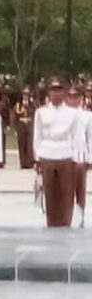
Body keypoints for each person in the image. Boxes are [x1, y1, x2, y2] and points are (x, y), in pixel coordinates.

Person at [34, 77, 82, 227]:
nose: (56, 94)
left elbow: (76, 137)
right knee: (50, 192)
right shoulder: (41, 112)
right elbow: (38, 135)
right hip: (47, 152)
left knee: (66, 192)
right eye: (53, 90)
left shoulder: (72, 113)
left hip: (65, 153)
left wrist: (77, 158)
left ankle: (65, 222)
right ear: (48, 93)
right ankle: (51, 222)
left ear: (64, 93)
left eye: (59, 90)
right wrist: (37, 157)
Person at [66, 85, 92, 217]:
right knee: (66, 190)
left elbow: (90, 138)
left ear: (81, 98)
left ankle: (80, 215)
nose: (72, 100)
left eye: (75, 96)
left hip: (80, 156)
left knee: (80, 189)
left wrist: (90, 158)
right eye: (70, 96)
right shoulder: (62, 114)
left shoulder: (87, 115)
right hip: (65, 156)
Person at [13, 87, 37, 169]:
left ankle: (29, 163)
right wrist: (16, 128)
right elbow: (15, 117)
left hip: (30, 125)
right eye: (24, 95)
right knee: (22, 144)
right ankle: (23, 163)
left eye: (27, 95)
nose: (25, 96)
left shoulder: (33, 104)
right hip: (21, 125)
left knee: (29, 144)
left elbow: (35, 115)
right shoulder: (18, 105)